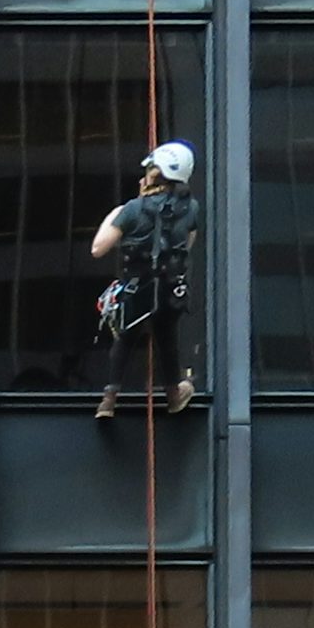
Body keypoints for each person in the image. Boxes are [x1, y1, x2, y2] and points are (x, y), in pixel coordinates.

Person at [90, 139, 200, 420]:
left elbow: (98, 249)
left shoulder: (132, 210)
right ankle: (174, 395)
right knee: (167, 337)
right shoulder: (191, 209)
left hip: (136, 284)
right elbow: (187, 245)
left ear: (154, 174)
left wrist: (116, 217)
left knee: (125, 337)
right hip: (169, 289)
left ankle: (108, 400)